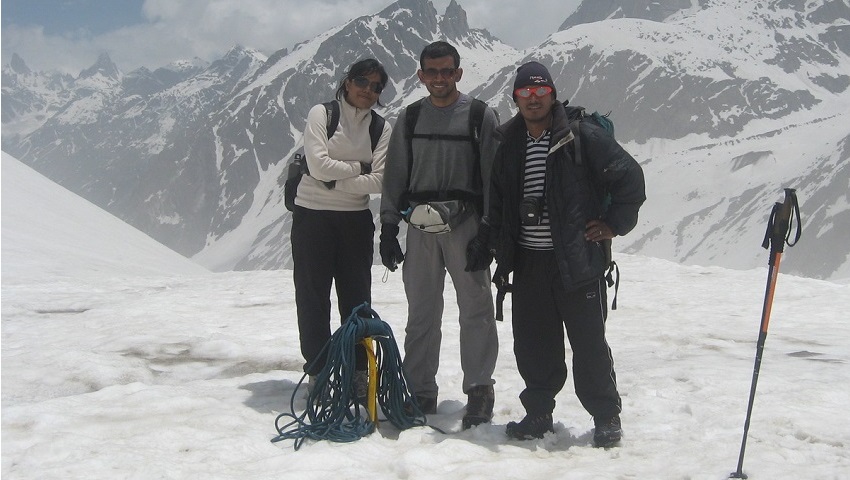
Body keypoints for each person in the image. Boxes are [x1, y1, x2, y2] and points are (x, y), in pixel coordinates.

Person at [478, 61, 645, 447]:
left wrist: (613, 224)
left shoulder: (581, 135)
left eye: (540, 92)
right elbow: (500, 200)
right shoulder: (509, 143)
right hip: (528, 261)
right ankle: (538, 414)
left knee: (588, 344)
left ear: (552, 94)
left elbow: (630, 177)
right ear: (515, 97)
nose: (533, 99)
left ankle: (606, 417)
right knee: (534, 343)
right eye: (525, 93)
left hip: (576, 260)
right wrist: (496, 247)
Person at [379, 41, 500, 429]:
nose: (439, 78)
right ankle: (420, 391)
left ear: (459, 73)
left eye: (446, 71)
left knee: (476, 310)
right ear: (420, 75)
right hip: (420, 226)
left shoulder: (480, 115)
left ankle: (479, 389)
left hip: (466, 226)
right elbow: (395, 175)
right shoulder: (410, 119)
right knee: (422, 312)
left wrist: (488, 232)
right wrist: (388, 227)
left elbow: (493, 179)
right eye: (431, 72)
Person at [291, 58, 392, 397]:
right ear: (347, 82)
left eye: (376, 86)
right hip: (312, 218)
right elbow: (317, 165)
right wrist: (358, 167)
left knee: (357, 302)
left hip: (354, 222)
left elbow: (379, 181)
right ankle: (318, 373)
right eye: (362, 82)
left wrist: (333, 182)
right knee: (312, 298)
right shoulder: (322, 114)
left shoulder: (381, 128)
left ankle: (358, 376)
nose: (368, 90)